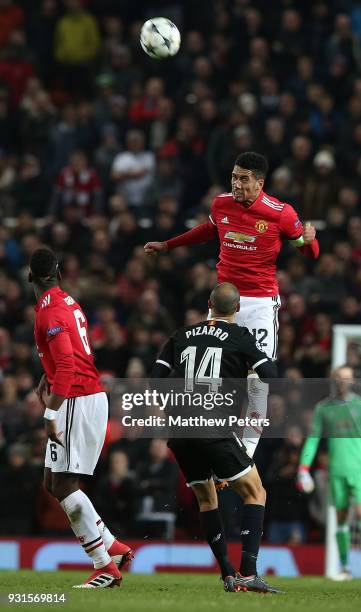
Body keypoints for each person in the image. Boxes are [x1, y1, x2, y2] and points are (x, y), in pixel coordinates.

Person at [145, 152, 320, 458]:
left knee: (258, 378)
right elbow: (208, 230)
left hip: (260, 303)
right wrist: (168, 245)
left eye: (244, 179)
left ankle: (248, 449)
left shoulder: (281, 213)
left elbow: (309, 253)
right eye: (234, 177)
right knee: (211, 372)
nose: (236, 184)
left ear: (259, 183)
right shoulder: (221, 203)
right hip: (224, 302)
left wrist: (309, 240)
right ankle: (206, 433)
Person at [151, 282, 281, 594]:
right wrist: (248, 374)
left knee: (207, 498)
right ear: (237, 309)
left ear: (209, 303)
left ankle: (227, 573)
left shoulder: (181, 334)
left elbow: (155, 381)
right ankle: (248, 573)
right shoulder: (240, 336)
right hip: (214, 426)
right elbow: (271, 375)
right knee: (255, 492)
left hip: (181, 431)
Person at [29, 247, 133, 589]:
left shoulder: (48, 312)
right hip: (82, 393)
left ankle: (104, 565)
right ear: (57, 274)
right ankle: (111, 545)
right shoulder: (67, 302)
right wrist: (49, 373)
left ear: (30, 277)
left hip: (77, 399)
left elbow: (68, 365)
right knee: (51, 481)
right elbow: (70, 353)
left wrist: (50, 411)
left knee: (64, 484)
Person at [297, 365, 361, 581]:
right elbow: (313, 439)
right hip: (337, 469)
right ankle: (345, 568)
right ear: (333, 380)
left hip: (358, 468)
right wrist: (303, 468)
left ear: (353, 381)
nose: (343, 382)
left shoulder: (359, 405)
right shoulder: (324, 408)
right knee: (341, 519)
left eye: (347, 378)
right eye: (339, 378)